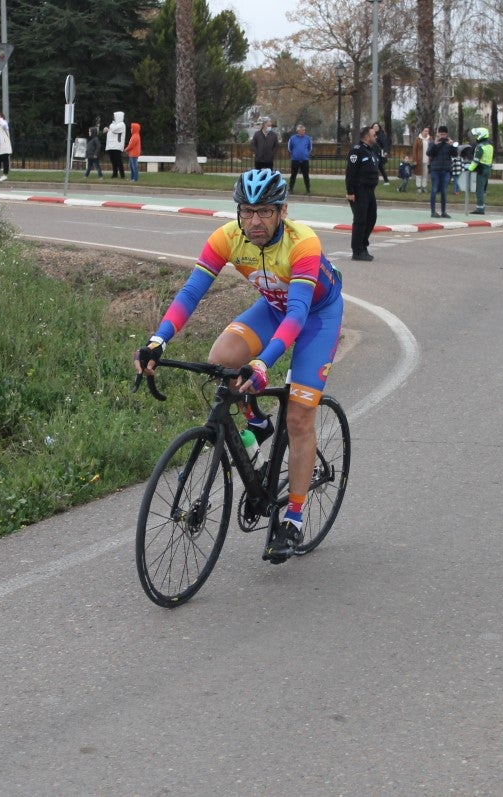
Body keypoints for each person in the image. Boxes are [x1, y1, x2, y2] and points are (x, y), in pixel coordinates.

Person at [133, 169, 344, 564]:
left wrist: (263, 363)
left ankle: (293, 518)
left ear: (282, 211)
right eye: (247, 211)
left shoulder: (303, 243)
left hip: (315, 316)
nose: (255, 221)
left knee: (299, 418)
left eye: (265, 211)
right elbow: (191, 292)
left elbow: (298, 313)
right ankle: (256, 423)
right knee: (221, 361)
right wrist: (158, 340)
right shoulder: (227, 238)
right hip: (273, 308)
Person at [346, 125, 380, 260]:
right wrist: (350, 192)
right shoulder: (357, 151)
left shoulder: (371, 151)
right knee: (360, 221)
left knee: (371, 218)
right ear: (366, 137)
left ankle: (363, 245)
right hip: (359, 191)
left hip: (370, 191)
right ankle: (357, 251)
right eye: (373, 135)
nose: (376, 137)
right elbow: (350, 172)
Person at [426, 125, 457, 218]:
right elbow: (428, 153)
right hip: (435, 170)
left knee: (444, 191)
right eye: (441, 134)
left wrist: (452, 146)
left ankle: (443, 212)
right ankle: (433, 212)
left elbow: (455, 154)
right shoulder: (433, 143)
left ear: (446, 134)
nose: (442, 136)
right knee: (434, 190)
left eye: (444, 134)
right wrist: (435, 144)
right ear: (438, 134)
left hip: (446, 170)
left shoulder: (449, 143)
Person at [464, 127, 493, 214]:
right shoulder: (490, 146)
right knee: (483, 189)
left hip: (481, 169)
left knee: (479, 190)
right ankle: (482, 207)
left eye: (477, 135)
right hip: (488, 168)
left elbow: (475, 161)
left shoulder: (479, 147)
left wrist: (469, 169)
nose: (476, 137)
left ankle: (480, 209)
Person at [287, 123, 312, 194]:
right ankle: (291, 189)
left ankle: (308, 189)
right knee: (293, 175)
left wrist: (305, 154)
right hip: (295, 160)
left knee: (306, 175)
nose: (304, 131)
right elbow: (289, 148)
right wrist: (294, 154)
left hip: (305, 160)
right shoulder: (292, 138)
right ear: (298, 131)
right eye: (302, 130)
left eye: (304, 130)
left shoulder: (308, 138)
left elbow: (310, 148)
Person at [103, 111, 126, 178]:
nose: (113, 118)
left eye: (114, 116)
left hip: (117, 146)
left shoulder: (121, 124)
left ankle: (122, 175)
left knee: (118, 160)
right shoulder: (113, 124)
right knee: (113, 161)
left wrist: (110, 126)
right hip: (111, 145)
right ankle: (115, 174)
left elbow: (114, 130)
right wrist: (107, 129)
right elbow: (111, 130)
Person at [0, 112, 12, 181]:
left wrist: (0, 119)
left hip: (4, 144)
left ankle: (5, 175)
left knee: (5, 160)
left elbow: (4, 125)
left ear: (2, 117)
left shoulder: (4, 123)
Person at [413, 126, 430, 192]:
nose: (426, 132)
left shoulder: (430, 139)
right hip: (419, 160)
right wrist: (414, 160)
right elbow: (414, 150)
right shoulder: (418, 139)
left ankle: (424, 187)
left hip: (427, 160)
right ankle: (418, 187)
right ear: (422, 131)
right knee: (419, 174)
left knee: (425, 174)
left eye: (427, 131)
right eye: (425, 131)